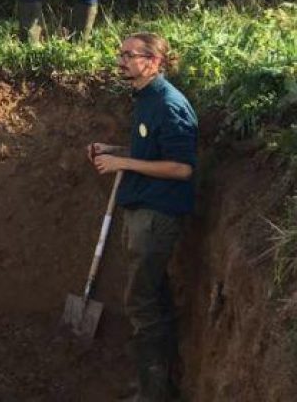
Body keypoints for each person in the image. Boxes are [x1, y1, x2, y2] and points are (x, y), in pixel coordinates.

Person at [88, 33, 196, 402]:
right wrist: (114, 150)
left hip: (156, 216)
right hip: (142, 213)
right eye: (119, 54)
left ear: (152, 61)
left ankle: (154, 395)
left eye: (127, 55)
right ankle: (158, 385)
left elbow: (182, 168)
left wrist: (123, 163)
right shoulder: (146, 99)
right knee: (151, 297)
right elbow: (152, 151)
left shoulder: (169, 104)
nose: (120, 61)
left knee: (142, 303)